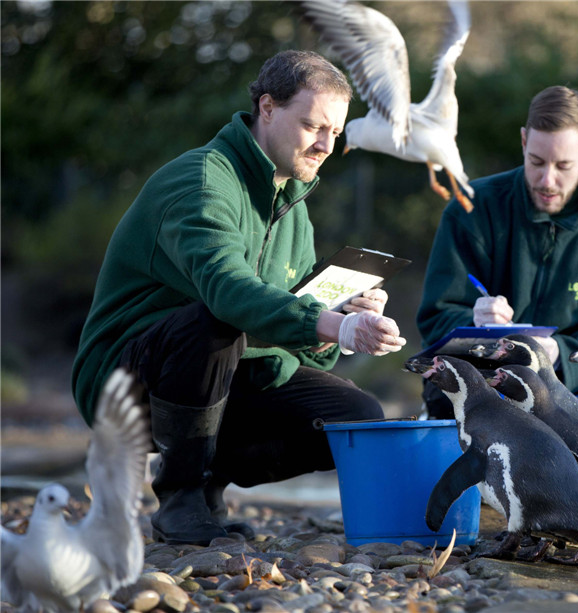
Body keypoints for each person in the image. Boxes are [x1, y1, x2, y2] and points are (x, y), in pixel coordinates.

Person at [71, 50, 407, 545]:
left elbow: (292, 335)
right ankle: (180, 495)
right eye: (314, 126)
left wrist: (340, 319)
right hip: (123, 383)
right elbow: (228, 292)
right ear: (267, 108)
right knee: (216, 321)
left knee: (356, 418)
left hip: (227, 377)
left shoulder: (294, 203)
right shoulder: (202, 181)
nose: (325, 145)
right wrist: (331, 324)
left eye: (334, 133)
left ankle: (208, 483)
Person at [416, 85, 578, 419]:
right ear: (524, 141)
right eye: (537, 162)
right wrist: (474, 322)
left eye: (563, 166)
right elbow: (436, 317)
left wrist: (560, 354)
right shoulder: (471, 207)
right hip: (486, 383)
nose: (547, 180)